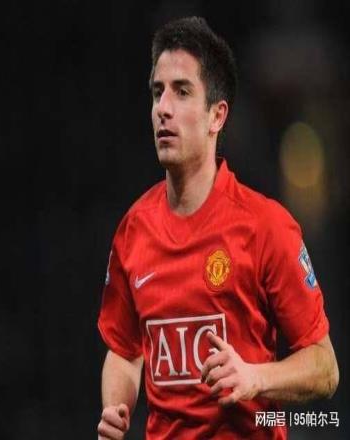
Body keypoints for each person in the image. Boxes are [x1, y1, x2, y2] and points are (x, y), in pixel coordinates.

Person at [97, 16, 339, 440]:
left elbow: (325, 368)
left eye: (182, 91)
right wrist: (117, 408)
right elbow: (124, 351)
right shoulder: (133, 230)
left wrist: (256, 377)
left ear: (216, 116)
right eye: (157, 92)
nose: (163, 108)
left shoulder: (266, 227)